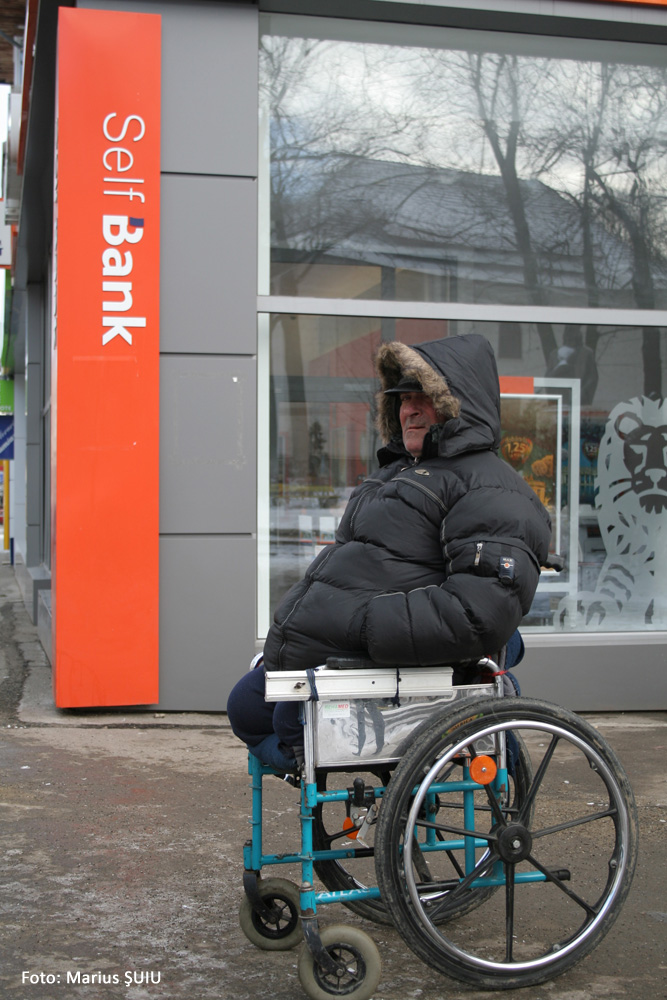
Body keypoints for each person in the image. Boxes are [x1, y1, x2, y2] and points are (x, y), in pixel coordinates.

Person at [227, 334, 552, 770]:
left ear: (461, 404)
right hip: (329, 650)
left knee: (291, 726)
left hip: (379, 658)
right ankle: (339, 773)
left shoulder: (491, 489)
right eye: (402, 398)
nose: (409, 409)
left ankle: (373, 787)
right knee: (245, 709)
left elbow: (475, 614)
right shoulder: (395, 474)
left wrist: (359, 625)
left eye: (425, 396)